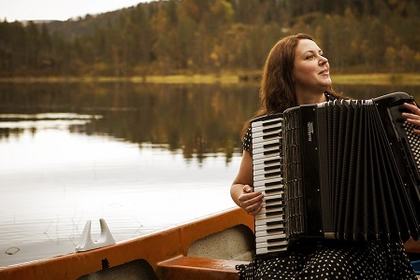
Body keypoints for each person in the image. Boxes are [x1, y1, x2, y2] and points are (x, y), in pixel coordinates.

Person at [230, 33, 418, 279]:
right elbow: (238, 185)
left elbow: (407, 177)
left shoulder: (364, 119)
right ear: (287, 73)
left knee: (327, 269)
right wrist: (242, 196)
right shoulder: (266, 131)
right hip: (291, 246)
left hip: (360, 243)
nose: (323, 60)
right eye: (310, 56)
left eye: (321, 53)